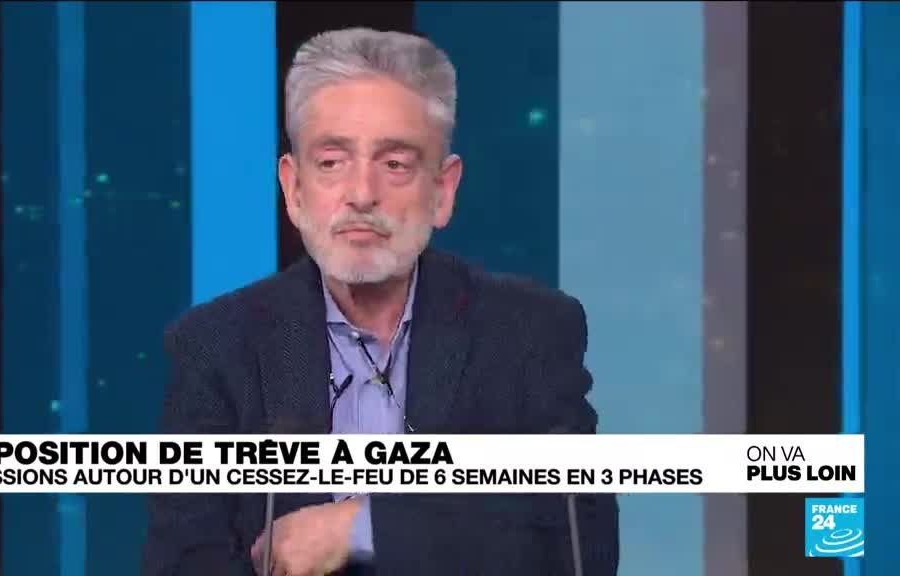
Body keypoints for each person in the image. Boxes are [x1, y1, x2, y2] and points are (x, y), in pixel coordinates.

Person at [142, 27, 619, 576]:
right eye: (332, 161)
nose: (362, 194)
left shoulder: (528, 332)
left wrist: (361, 528)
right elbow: (180, 564)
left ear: (442, 191)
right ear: (294, 190)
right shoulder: (217, 346)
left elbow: (580, 545)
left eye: (395, 164)